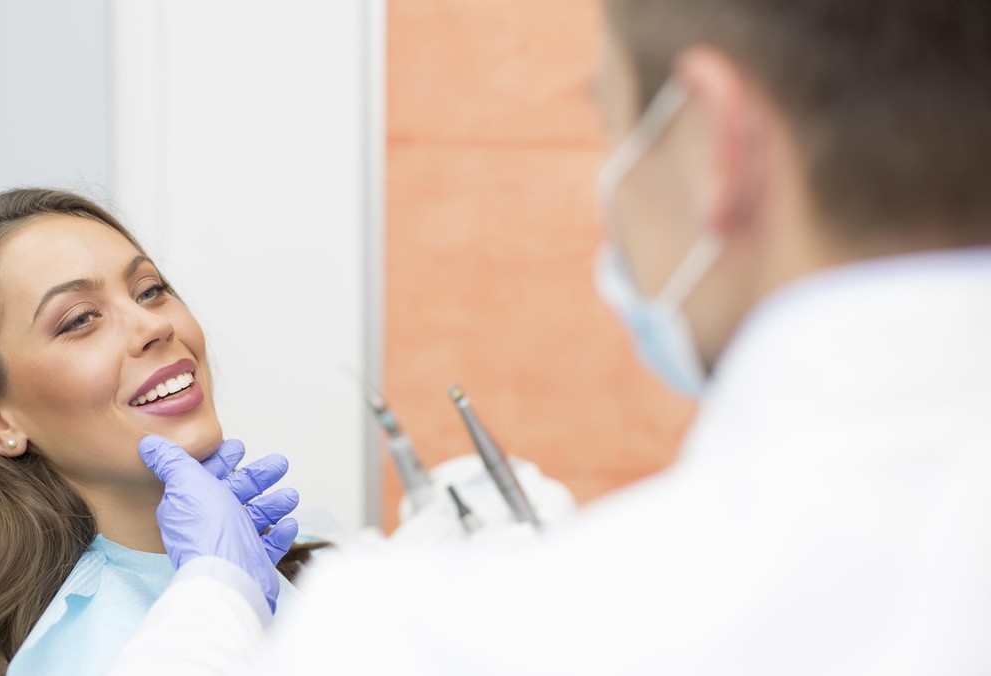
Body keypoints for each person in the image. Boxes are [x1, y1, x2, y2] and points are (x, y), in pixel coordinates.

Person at [111, 0, 991, 673]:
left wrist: (213, 596)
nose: (150, 329)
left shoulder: (417, 636)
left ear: (715, 146)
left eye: (613, 128)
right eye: (80, 318)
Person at [0, 188, 302, 676]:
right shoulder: (77, 648)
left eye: (150, 290)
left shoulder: (278, 556)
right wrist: (225, 584)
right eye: (80, 319)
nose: (153, 325)